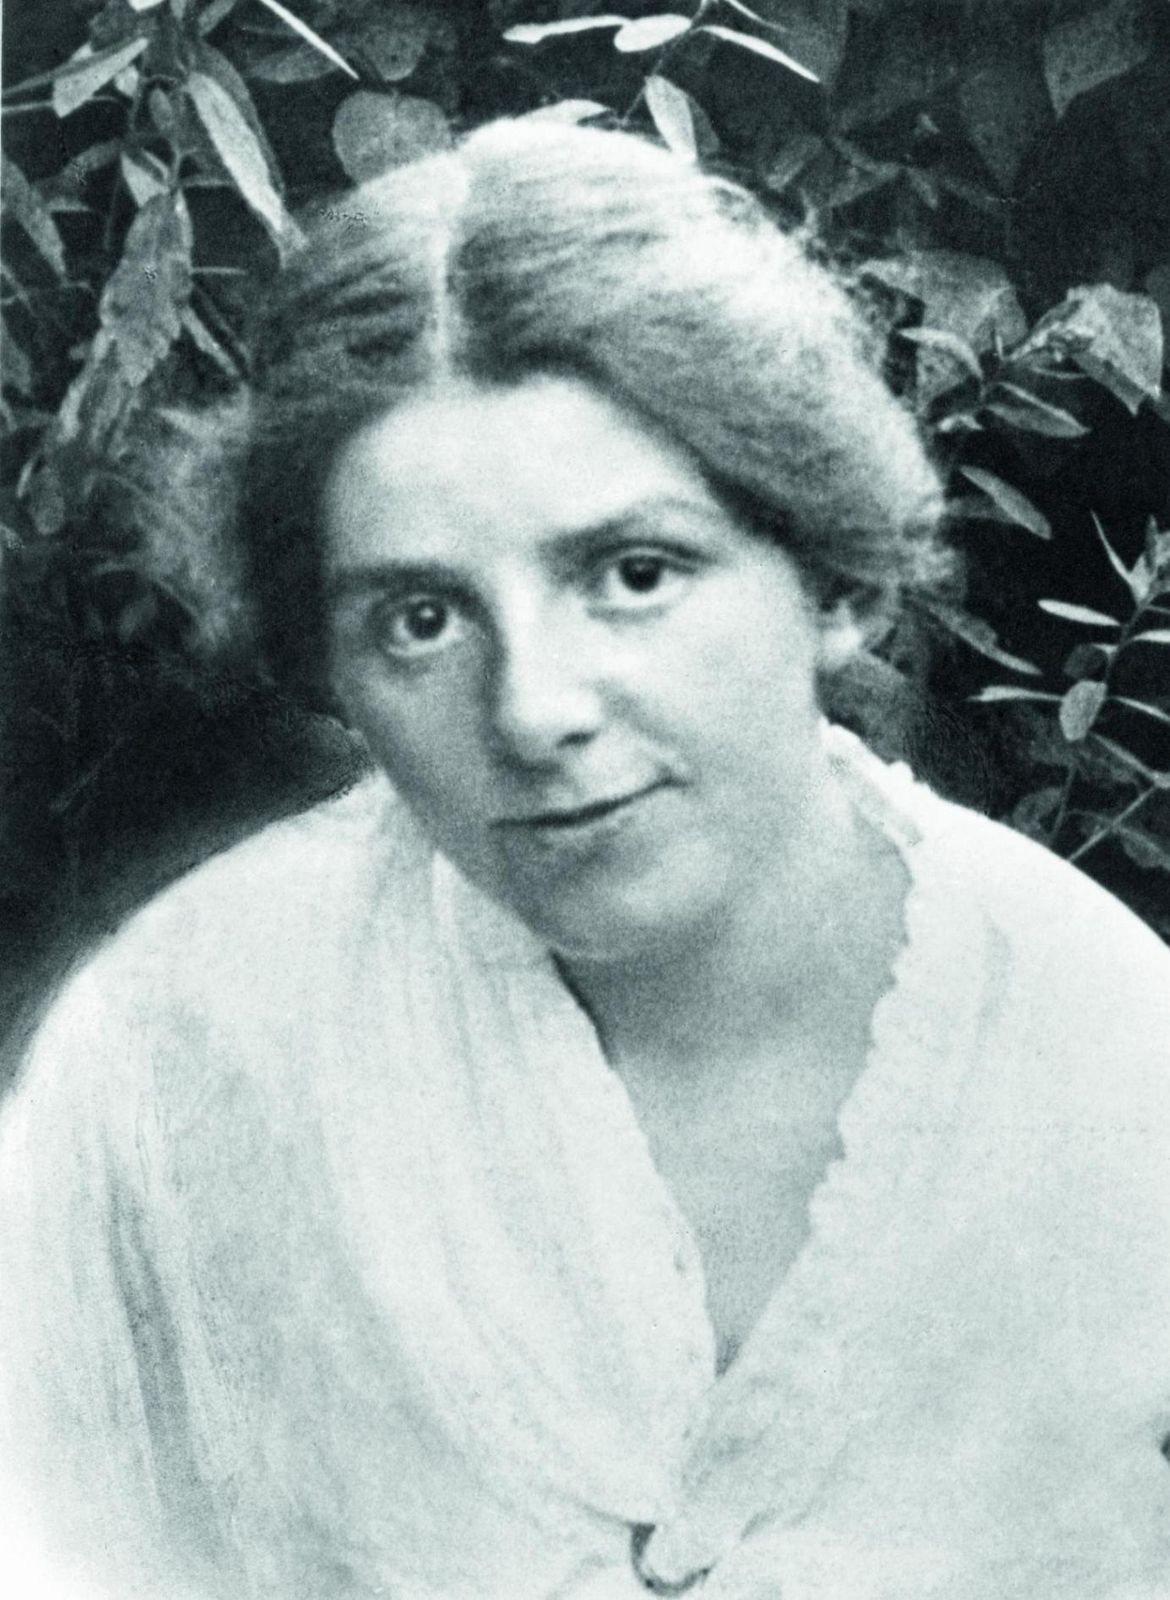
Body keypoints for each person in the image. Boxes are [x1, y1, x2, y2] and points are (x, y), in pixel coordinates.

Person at [1, 119, 1167, 1600]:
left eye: (634, 573)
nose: (532, 710)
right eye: (420, 619)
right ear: (327, 668)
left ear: (832, 578)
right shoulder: (178, 1051)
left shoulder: (1109, 1060)